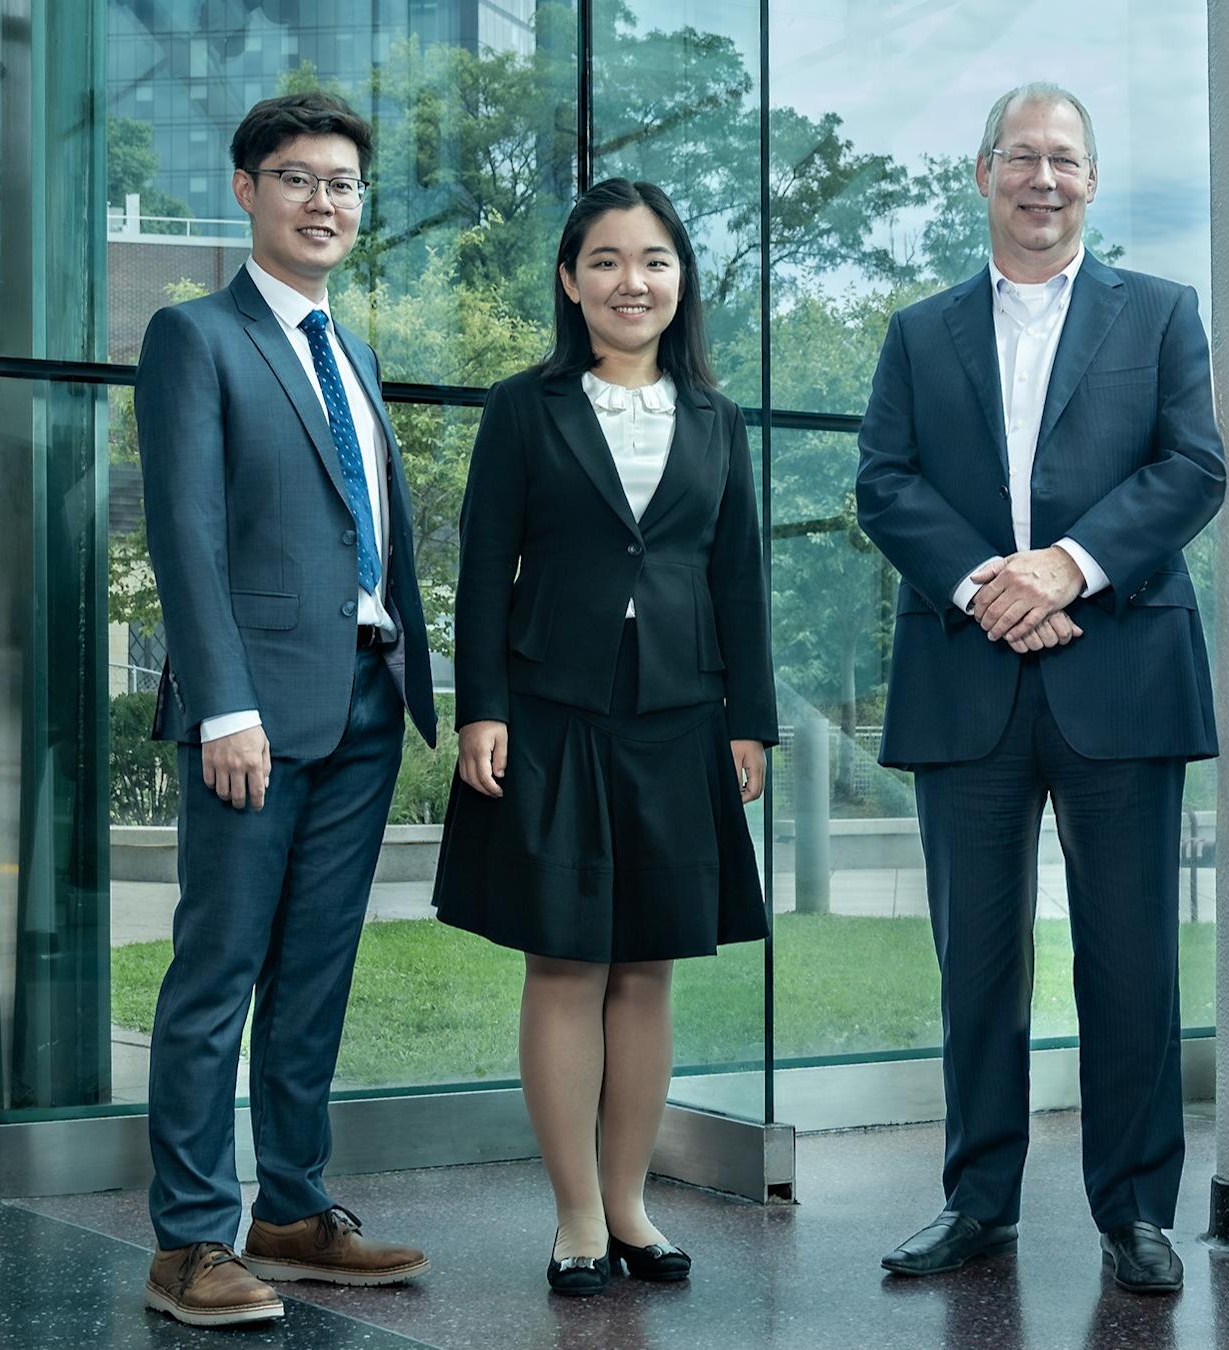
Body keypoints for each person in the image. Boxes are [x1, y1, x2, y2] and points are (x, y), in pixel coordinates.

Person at [855, 81, 1224, 1296]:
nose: (1043, 178)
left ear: (1092, 181)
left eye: (1065, 158)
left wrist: (1065, 567)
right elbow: (885, 482)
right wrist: (987, 587)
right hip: (965, 677)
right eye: (1021, 156)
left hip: (1121, 671)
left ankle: (1135, 1211)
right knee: (976, 965)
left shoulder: (1160, 313)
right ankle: (978, 1199)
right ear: (983, 175)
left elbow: (1193, 467)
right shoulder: (919, 332)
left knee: (1130, 962)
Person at [432, 178, 776, 1297]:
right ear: (571, 282)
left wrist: (751, 721)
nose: (635, 281)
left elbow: (739, 578)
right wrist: (480, 708)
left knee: (648, 967)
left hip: (681, 713)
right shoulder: (523, 409)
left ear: (682, 281)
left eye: (655, 261)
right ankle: (576, 1214)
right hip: (551, 709)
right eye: (609, 261)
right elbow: (483, 568)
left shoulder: (719, 420)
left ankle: (631, 1207)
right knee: (567, 959)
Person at [135, 91, 438, 1328]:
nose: (325, 202)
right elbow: (187, 533)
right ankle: (189, 1243)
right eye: (300, 178)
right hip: (254, 715)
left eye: (344, 185)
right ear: (248, 189)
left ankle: (293, 1211)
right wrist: (222, 707)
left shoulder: (348, 350)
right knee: (217, 973)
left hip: (365, 699)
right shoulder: (195, 336)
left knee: (316, 975)